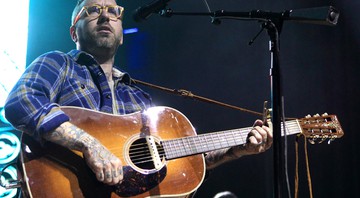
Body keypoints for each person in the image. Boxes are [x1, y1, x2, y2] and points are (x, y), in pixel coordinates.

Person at [4, 0, 273, 194]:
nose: (104, 16)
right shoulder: (59, 64)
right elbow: (22, 102)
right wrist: (90, 145)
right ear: (74, 32)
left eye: (113, 12)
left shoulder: (138, 99)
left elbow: (182, 163)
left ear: (121, 36)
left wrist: (238, 149)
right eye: (92, 10)